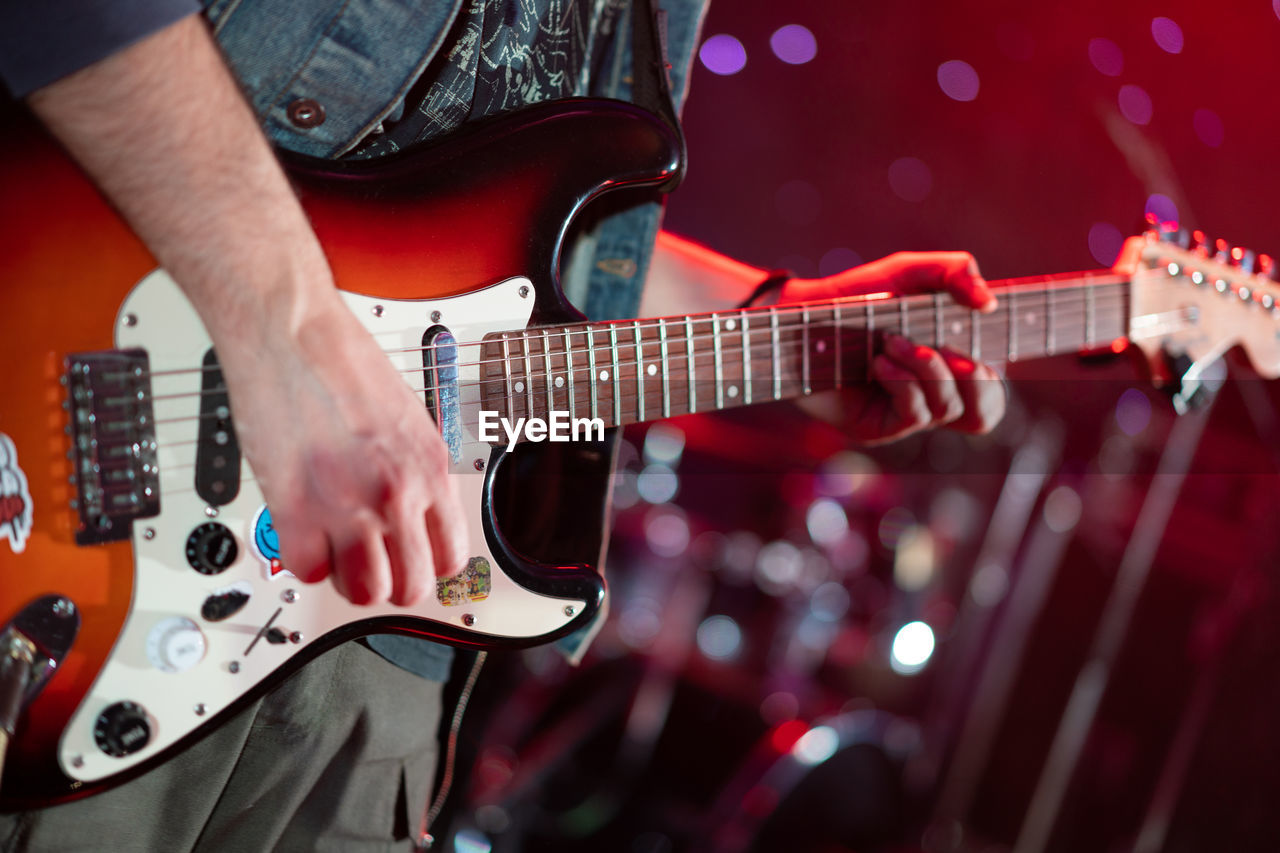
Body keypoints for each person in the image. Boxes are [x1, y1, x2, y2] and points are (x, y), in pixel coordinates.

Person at [0, 1, 1004, 849]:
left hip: (383, 652)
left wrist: (782, 326)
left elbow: (498, 246)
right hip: (87, 518)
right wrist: (287, 323)